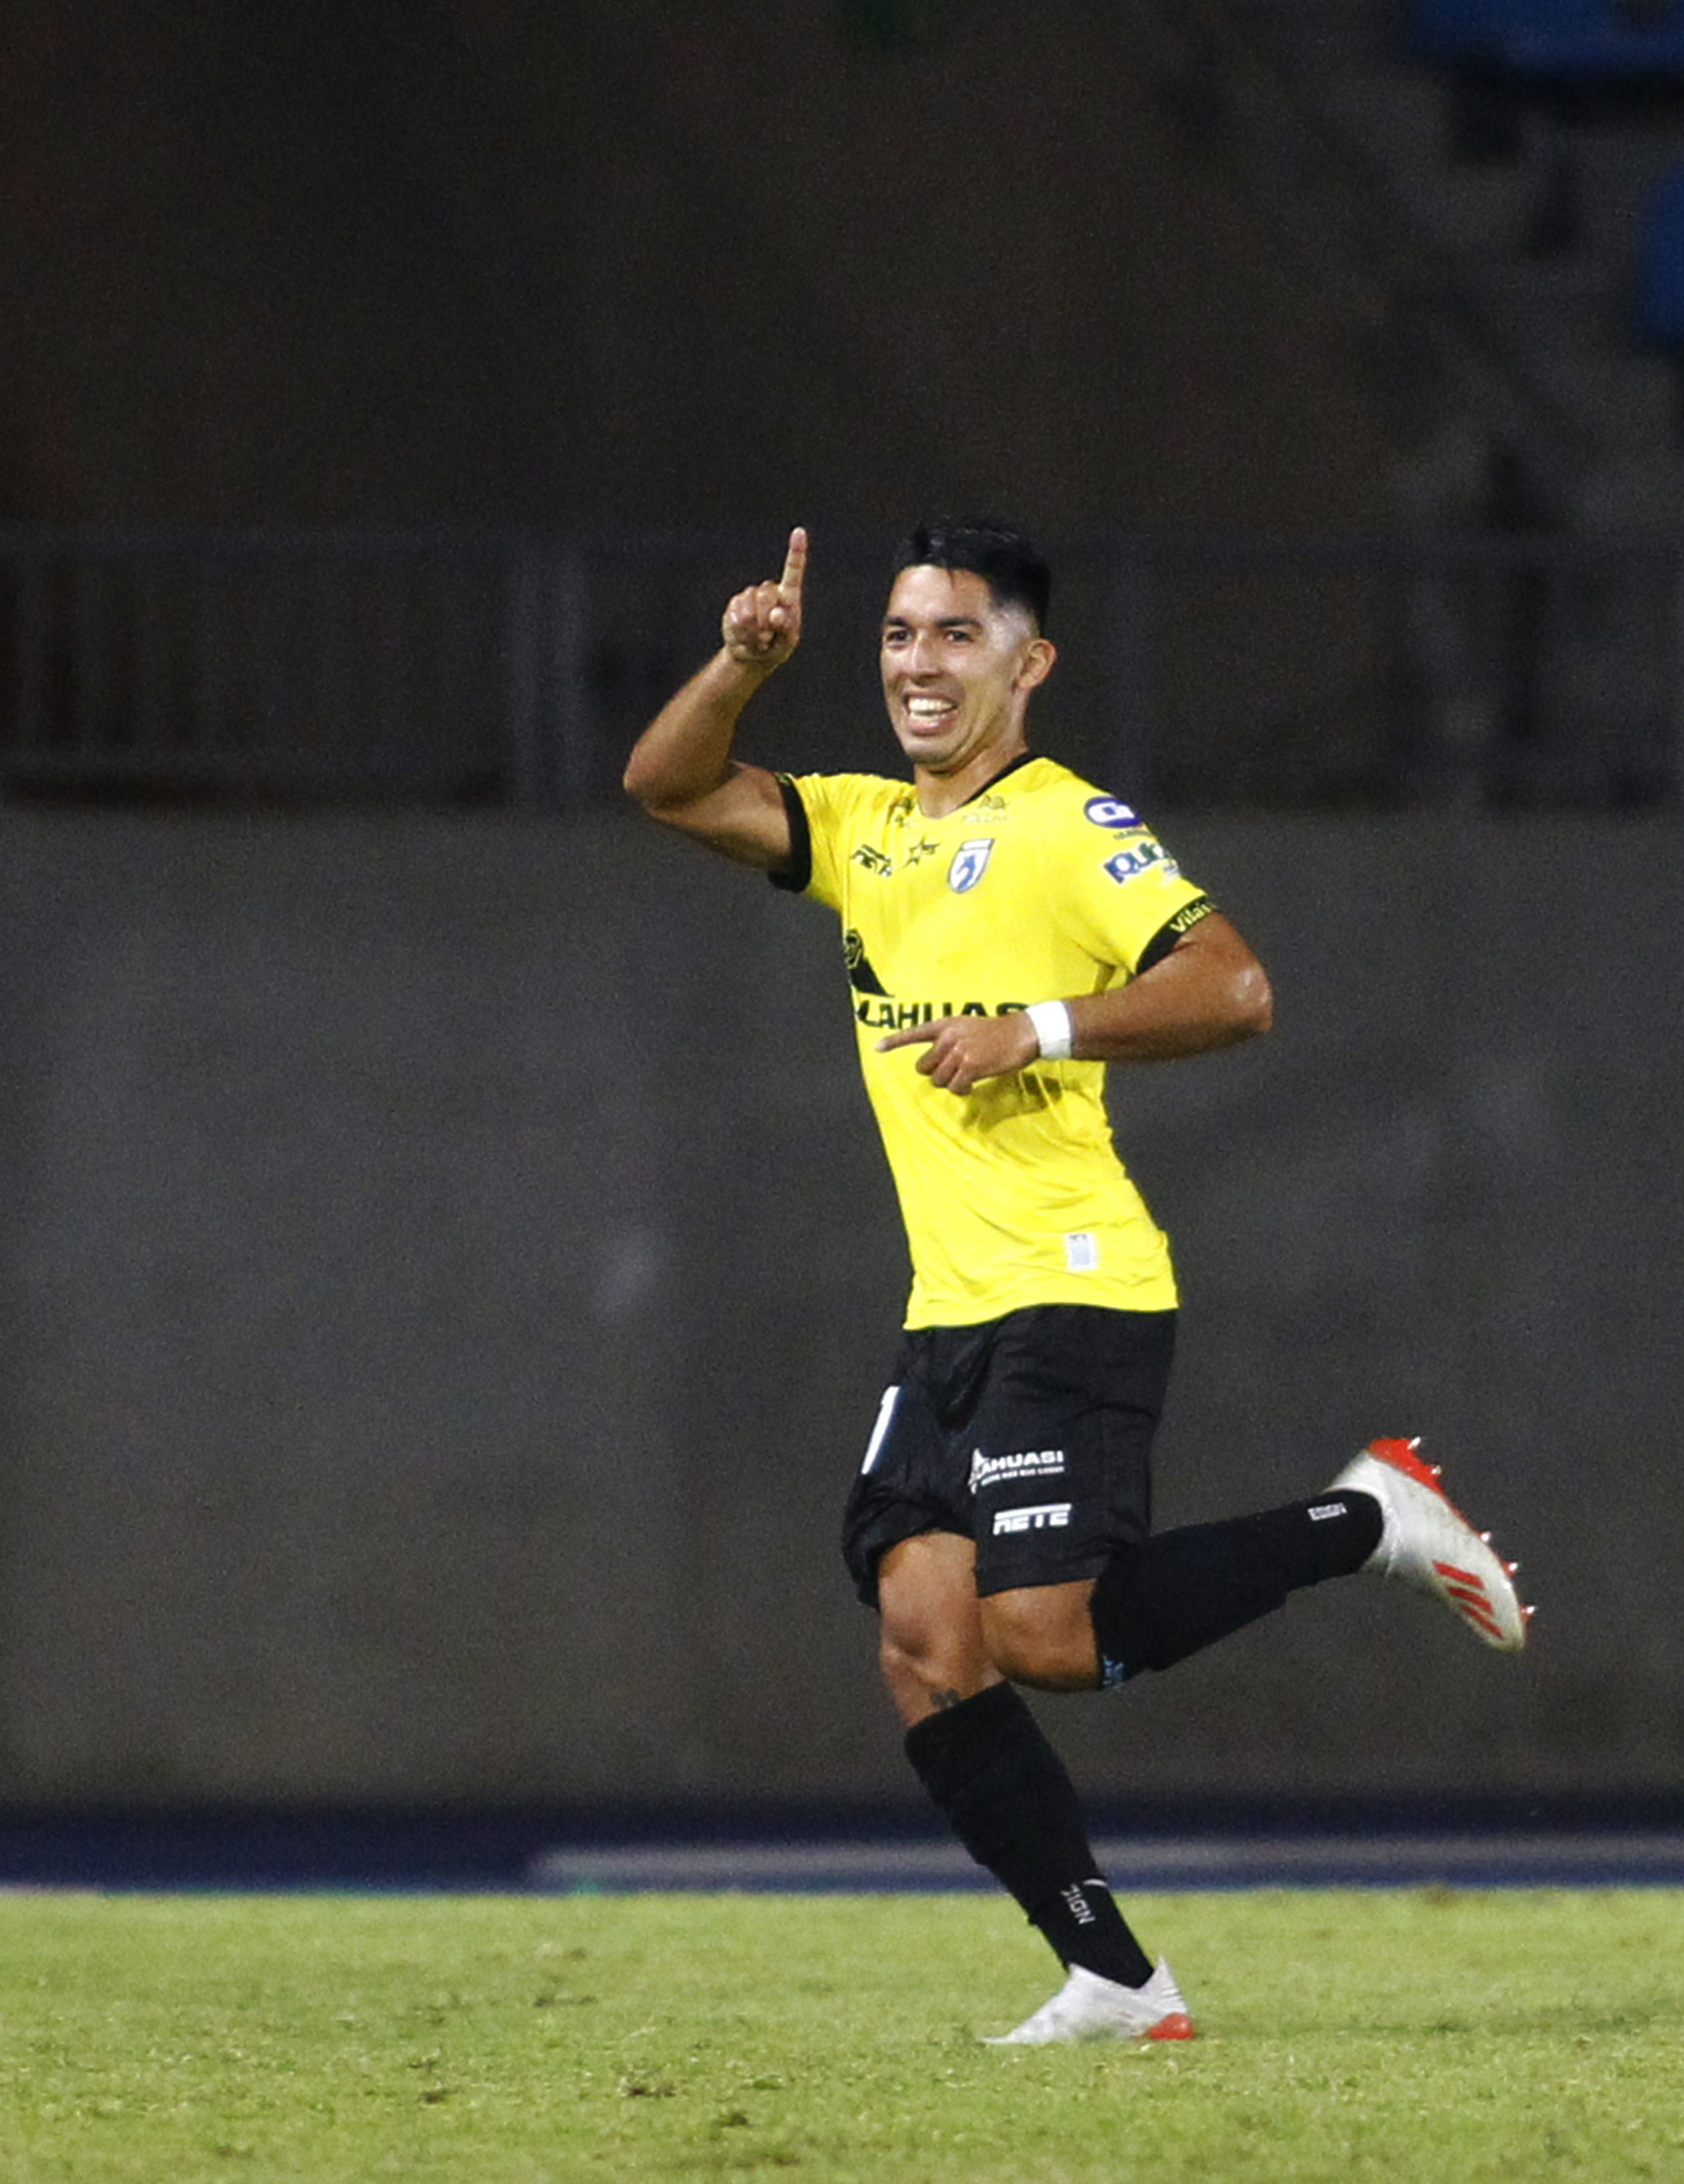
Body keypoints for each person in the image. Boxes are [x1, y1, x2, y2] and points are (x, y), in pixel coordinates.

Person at [622, 517, 1527, 2044]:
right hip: (949, 1313)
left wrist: (1036, 1029)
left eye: (955, 636)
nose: (919, 662)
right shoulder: (860, 826)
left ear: (1025, 662)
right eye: (901, 634)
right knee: (923, 1635)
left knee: (1043, 1635)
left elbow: (1235, 988)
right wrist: (739, 663)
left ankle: (1369, 1516)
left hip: (1074, 1280)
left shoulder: (1067, 825)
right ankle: (1115, 1979)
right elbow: (666, 785)